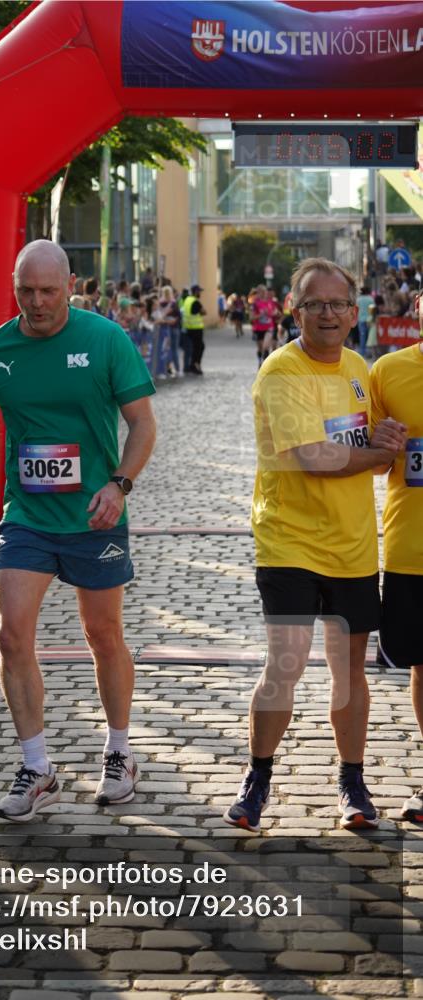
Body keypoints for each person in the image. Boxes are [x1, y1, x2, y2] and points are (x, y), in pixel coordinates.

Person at [0, 240, 156, 823]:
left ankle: (119, 752)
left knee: (103, 634)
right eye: (25, 291)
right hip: (28, 517)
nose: (37, 303)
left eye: (47, 290)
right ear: (13, 288)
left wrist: (119, 484)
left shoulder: (105, 339)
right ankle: (37, 767)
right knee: (11, 635)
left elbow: (142, 425)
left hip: (97, 515)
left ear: (71, 285)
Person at [223, 257, 408, 833]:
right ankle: (258, 778)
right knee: (288, 661)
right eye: (314, 304)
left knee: (350, 670)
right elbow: (317, 457)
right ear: (293, 311)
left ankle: (352, 782)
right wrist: (382, 454)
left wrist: (388, 440)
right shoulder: (282, 371)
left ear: (355, 312)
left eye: (337, 304)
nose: (327, 314)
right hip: (289, 542)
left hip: (353, 546)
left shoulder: (360, 368)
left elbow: (375, 449)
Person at [370, 291, 423, 823]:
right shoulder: (388, 371)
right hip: (412, 548)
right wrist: (379, 444)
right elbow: (367, 463)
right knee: (422, 667)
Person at [181, 284, 206, 375]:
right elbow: (204, 312)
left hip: (188, 328)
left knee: (192, 348)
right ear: (195, 292)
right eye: (199, 291)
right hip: (196, 328)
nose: (200, 293)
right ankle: (195, 365)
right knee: (198, 348)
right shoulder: (195, 301)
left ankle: (190, 365)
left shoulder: (187, 300)